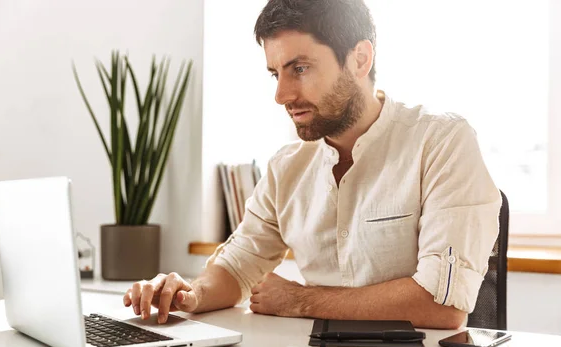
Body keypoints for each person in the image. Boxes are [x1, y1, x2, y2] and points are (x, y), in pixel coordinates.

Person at [123, 0, 501, 329]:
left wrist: (301, 301)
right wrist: (188, 293)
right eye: (276, 73)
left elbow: (443, 305)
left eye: (299, 68)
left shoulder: (442, 141)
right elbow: (236, 268)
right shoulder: (287, 168)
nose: (281, 94)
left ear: (359, 59)